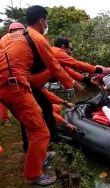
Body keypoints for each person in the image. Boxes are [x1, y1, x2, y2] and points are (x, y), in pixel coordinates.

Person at [0, 5, 81, 185]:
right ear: (41, 20)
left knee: (33, 124)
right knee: (41, 131)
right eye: (46, 20)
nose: (47, 24)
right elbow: (55, 66)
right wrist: (72, 84)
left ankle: (40, 155)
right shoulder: (37, 37)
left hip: (10, 87)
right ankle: (33, 174)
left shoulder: (8, 39)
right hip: (16, 87)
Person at [0, 22, 26, 126]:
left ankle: (6, 119)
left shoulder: (3, 39)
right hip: (11, 70)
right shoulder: (18, 37)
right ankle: (23, 116)